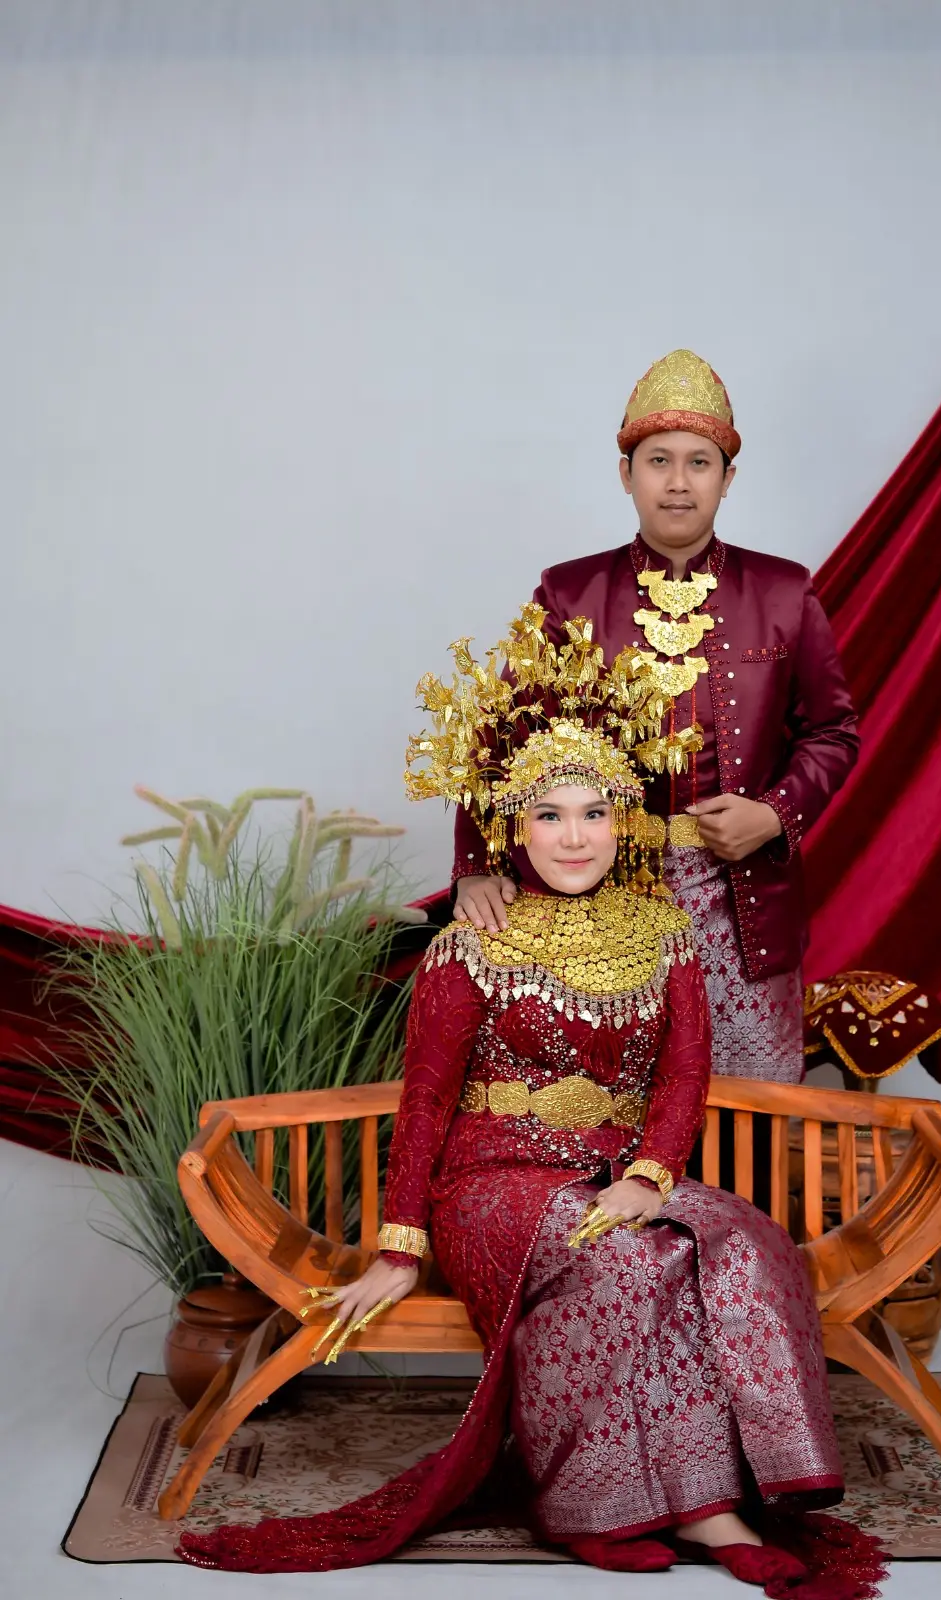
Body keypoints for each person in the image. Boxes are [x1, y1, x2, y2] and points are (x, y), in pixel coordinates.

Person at [177, 609, 885, 1597]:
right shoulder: (472, 940)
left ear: (623, 821)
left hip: (612, 1176)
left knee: (743, 1241)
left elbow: (683, 1076)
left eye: (593, 812)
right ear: (512, 827)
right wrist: (396, 1248)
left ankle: (713, 1496)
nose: (573, 836)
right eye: (549, 815)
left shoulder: (663, 932)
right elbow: (425, 1104)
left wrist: (649, 1175)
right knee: (631, 1261)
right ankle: (602, 1507)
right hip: (491, 1186)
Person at [452, 350, 859, 1084]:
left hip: (746, 903)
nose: (678, 482)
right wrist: (476, 868)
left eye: (699, 463)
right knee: (615, 1109)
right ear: (626, 474)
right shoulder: (569, 593)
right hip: (598, 893)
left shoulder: (784, 591)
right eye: (658, 461)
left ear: (727, 480)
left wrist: (774, 814)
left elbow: (832, 732)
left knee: (750, 1113)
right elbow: (503, 737)